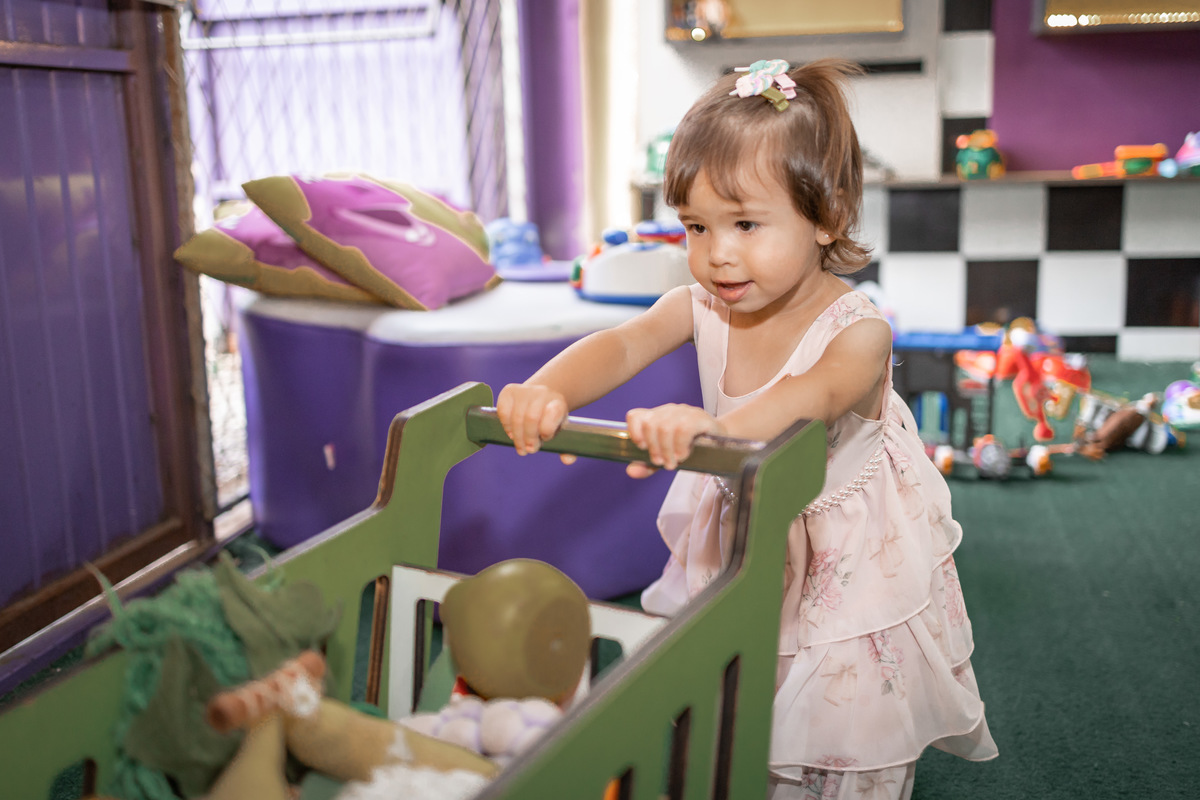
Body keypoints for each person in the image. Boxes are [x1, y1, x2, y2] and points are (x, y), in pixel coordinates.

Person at [496, 58, 997, 799]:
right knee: (737, 683)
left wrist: (714, 427)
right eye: (696, 226)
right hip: (751, 520)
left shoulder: (860, 333)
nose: (716, 252)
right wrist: (547, 389)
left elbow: (809, 394)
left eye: (745, 224)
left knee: (844, 705)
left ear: (827, 215)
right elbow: (623, 343)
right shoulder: (702, 303)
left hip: (847, 552)